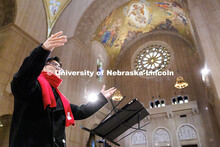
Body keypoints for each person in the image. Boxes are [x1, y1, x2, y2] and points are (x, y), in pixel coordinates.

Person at [9, 31, 116, 147]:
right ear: (43, 69)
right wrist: (43, 50)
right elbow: (24, 77)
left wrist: (101, 98)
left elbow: (81, 111)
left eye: (60, 68)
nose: (58, 68)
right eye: (54, 65)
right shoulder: (32, 86)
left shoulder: (60, 99)